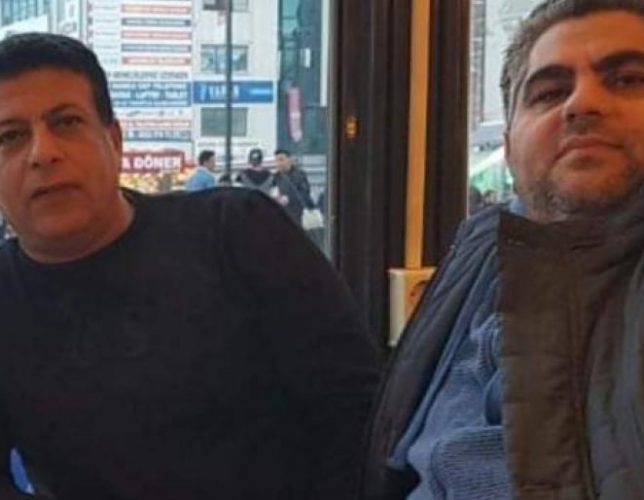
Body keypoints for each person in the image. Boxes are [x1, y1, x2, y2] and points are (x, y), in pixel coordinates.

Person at [364, 1, 644, 499]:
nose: (581, 104)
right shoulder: (478, 255)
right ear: (511, 145)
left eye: (627, 79)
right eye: (549, 93)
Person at [0, 33, 380, 500]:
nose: (42, 153)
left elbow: (357, 412)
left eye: (66, 122)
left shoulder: (237, 232)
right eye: (10, 136)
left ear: (114, 141)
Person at [271, 149, 316, 226]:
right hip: (282, 215)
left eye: (281, 160)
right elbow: (273, 192)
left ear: (289, 159)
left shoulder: (299, 175)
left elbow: (305, 193)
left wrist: (288, 198)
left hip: (298, 215)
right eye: (276, 160)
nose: (279, 163)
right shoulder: (276, 177)